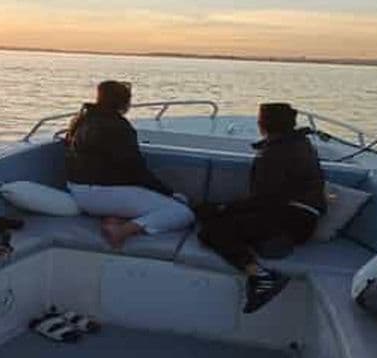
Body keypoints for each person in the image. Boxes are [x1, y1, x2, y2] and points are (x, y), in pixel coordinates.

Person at [196, 102, 326, 313]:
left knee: (211, 230)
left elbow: (265, 199)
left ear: (263, 124)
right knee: (212, 215)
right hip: (300, 218)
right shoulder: (300, 145)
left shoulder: (273, 155)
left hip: (291, 221)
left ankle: (261, 276)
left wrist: (223, 208)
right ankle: (265, 244)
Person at [65, 80, 195, 248]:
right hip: (100, 194)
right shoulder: (119, 128)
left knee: (147, 199)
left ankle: (114, 218)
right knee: (182, 212)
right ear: (124, 103)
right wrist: (169, 194)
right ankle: (122, 231)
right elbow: (137, 171)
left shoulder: (81, 120)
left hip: (77, 191)